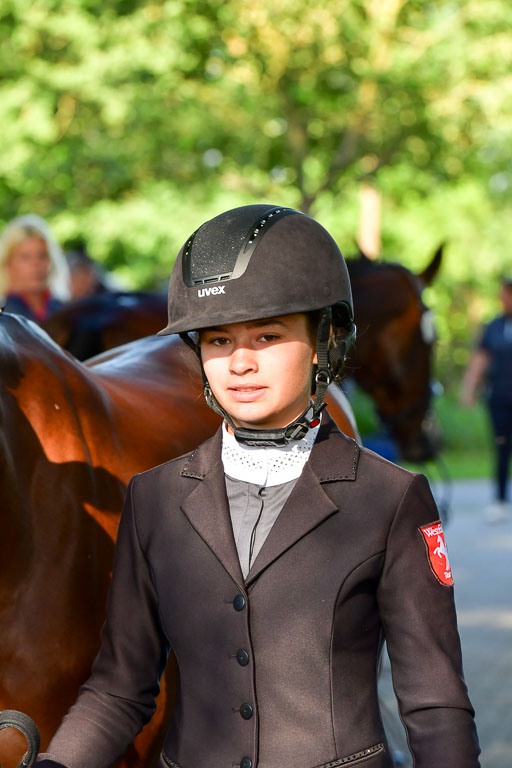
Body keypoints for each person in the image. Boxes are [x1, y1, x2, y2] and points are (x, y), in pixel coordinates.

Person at [37, 205, 480, 768]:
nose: (239, 363)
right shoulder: (154, 499)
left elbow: (435, 705)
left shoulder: (391, 500)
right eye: (218, 341)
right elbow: (118, 689)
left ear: (323, 341)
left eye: (267, 336)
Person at [460, 276, 512, 522]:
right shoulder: (494, 327)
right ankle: (500, 499)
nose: (504, 299)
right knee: (502, 447)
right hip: (500, 400)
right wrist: (469, 388)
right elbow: (480, 359)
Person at [0, 214, 69, 321]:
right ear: (8, 264)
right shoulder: (3, 316)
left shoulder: (67, 311)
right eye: (25, 257)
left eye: (42, 255)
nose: (36, 264)